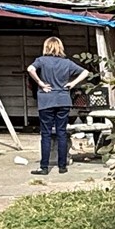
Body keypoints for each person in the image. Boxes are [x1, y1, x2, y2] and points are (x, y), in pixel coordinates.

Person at [26, 36, 90, 174]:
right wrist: (73, 83)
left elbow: (30, 69)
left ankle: (44, 167)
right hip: (63, 100)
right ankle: (62, 166)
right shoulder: (67, 63)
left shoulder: (41, 61)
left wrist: (41, 83)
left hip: (46, 100)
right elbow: (85, 72)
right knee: (62, 133)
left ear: (46, 47)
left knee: (46, 134)